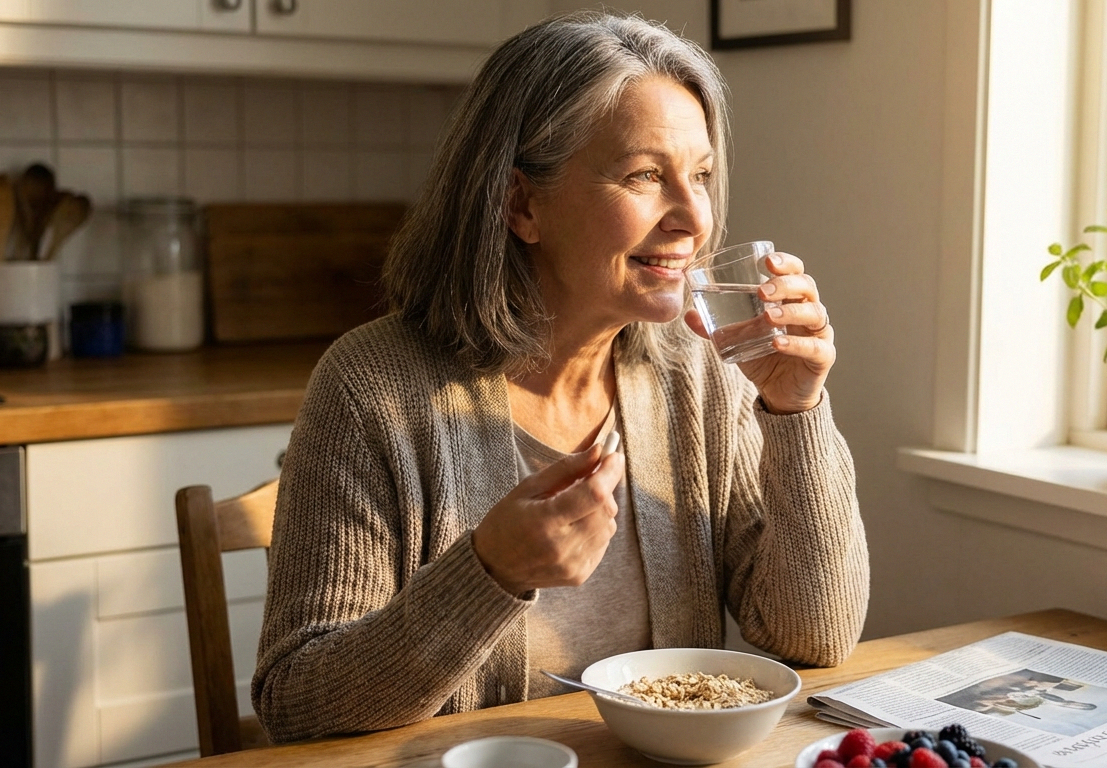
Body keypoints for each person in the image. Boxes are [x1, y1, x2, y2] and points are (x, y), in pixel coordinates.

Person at [251, 10, 869, 743]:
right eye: (645, 175)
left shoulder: (700, 370)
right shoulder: (372, 390)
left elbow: (817, 638)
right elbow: (298, 704)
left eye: (700, 175)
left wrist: (796, 412)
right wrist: (490, 572)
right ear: (522, 204)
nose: (694, 218)